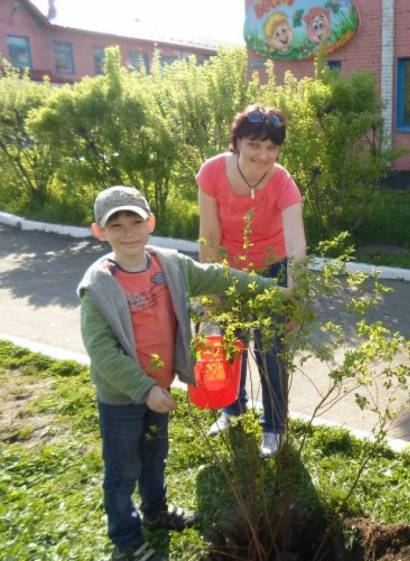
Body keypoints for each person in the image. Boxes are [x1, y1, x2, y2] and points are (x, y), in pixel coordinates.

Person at [79, 186, 277, 561]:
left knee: (155, 455)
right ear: (100, 231)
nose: (127, 232)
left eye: (135, 221)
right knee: (122, 470)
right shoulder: (99, 284)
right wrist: (143, 389)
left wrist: (270, 289)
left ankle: (156, 513)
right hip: (121, 396)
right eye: (116, 225)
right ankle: (127, 539)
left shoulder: (168, 265)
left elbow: (219, 277)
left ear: (150, 223)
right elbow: (102, 352)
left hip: (159, 388)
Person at [196, 103, 306, 456]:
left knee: (271, 351)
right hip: (229, 271)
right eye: (255, 144)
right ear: (237, 141)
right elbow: (209, 233)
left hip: (273, 272)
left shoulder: (282, 181)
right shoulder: (212, 173)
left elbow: (296, 242)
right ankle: (232, 410)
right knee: (231, 344)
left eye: (272, 147)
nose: (263, 155)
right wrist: (210, 287)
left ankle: (274, 428)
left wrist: (293, 291)